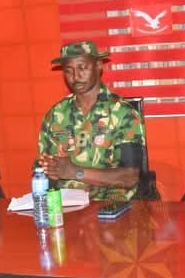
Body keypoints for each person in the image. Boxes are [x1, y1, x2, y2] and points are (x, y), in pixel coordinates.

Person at [37, 40, 147, 201]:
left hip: (110, 207)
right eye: (68, 70)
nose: (75, 77)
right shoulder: (55, 115)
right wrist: (50, 173)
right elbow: (43, 172)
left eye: (82, 68)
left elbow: (130, 177)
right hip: (66, 206)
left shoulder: (123, 113)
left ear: (98, 66)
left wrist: (75, 172)